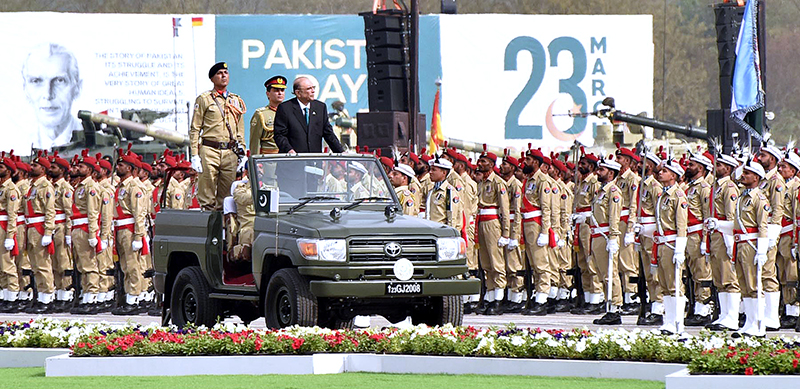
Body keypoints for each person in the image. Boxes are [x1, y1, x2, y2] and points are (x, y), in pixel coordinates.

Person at [189, 62, 247, 211]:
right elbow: (195, 128)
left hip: (230, 151)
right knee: (207, 195)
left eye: (226, 73)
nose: (223, 76)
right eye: (219, 73)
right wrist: (194, 155)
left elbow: (240, 130)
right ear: (212, 78)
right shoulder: (204, 99)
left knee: (227, 197)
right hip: (210, 149)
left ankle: (224, 232)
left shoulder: (236, 100)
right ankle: (209, 231)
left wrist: (243, 152)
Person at [704, 153, 741, 331]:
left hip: (724, 234)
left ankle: (732, 317)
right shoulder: (716, 186)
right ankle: (724, 315)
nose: (715, 167)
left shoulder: (729, 188)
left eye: (719, 165)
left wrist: (729, 241)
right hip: (715, 234)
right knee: (719, 277)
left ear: (728, 168)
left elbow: (732, 216)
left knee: (729, 277)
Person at [22, 43, 83, 150]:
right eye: (36, 81)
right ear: (26, 90)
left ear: (77, 88)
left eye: (60, 81)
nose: (48, 94)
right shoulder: (15, 144)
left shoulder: (96, 143)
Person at [733, 160, 769, 337]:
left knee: (754, 284)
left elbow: (763, 226)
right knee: (744, 285)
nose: (743, 175)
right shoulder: (742, 196)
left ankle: (758, 325)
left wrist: (761, 250)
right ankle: (749, 322)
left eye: (747, 173)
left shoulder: (759, 198)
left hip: (751, 244)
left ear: (756, 177)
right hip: (740, 243)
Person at [653, 159, 689, 335]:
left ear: (673, 175)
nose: (660, 173)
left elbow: (681, 224)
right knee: (665, 283)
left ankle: (677, 322)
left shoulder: (678, 196)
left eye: (665, 171)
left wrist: (679, 248)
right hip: (662, 243)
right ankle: (668, 320)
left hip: (671, 243)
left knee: (675, 283)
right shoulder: (662, 195)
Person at [112, 149, 148, 315]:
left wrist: (138, 236)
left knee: (132, 266)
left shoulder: (135, 187)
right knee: (125, 266)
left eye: (121, 165)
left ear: (130, 168)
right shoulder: (121, 186)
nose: (117, 167)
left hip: (129, 229)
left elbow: (138, 212)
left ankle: (134, 299)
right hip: (120, 229)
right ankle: (128, 297)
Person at [474, 150, 510, 315]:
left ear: (491, 164)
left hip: (492, 223)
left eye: (483, 161)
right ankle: (489, 297)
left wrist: (506, 233)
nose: (480, 164)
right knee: (486, 263)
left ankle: (498, 299)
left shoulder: (498, 182)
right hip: (481, 222)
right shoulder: (481, 182)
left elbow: (505, 209)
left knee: (496, 262)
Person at [589, 156, 623, 325]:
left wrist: (613, 237)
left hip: (605, 236)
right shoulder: (601, 191)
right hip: (597, 236)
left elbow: (614, 217)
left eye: (601, 170)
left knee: (610, 273)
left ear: (611, 173)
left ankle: (615, 308)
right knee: (602, 274)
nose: (598, 172)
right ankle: (608, 305)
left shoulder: (613, 192)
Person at [273, 77, 344, 154]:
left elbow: (328, 134)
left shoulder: (320, 107)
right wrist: (289, 150)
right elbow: (279, 135)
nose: (313, 91)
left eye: (313, 88)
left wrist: (341, 152)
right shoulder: (285, 108)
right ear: (298, 93)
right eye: (309, 89)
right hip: (292, 161)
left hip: (314, 160)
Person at [68, 152, 102, 314]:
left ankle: (92, 297)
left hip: (85, 229)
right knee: (81, 266)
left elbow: (93, 212)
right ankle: (86, 295)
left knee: (89, 265)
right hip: (77, 228)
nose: (77, 168)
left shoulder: (91, 188)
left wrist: (92, 235)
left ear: (89, 170)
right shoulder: (80, 187)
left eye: (81, 166)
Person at [24, 153, 57, 314]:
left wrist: (48, 232)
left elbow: (50, 211)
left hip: (39, 228)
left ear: (43, 169)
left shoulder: (46, 187)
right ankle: (40, 297)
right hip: (30, 228)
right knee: (35, 266)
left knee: (43, 265)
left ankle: (48, 298)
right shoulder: (33, 186)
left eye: (35, 166)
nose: (31, 168)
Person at [48, 152, 74, 312]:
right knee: (54, 263)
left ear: (62, 170)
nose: (50, 169)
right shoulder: (50, 186)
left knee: (63, 263)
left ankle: (65, 295)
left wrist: (68, 233)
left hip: (62, 227)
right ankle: (57, 294)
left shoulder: (65, 188)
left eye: (54, 167)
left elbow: (69, 212)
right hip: (52, 227)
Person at [0, 154, 21, 313]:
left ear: (9, 171)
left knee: (7, 264)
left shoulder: (11, 189)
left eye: (1, 167)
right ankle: (4, 295)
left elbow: (12, 214)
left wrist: (9, 236)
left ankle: (12, 297)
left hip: (4, 227)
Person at [249, 76, 287, 154]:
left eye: (282, 90)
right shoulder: (261, 114)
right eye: (276, 90)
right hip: (268, 158)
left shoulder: (289, 112)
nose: (280, 93)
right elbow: (255, 141)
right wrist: (256, 161)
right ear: (268, 94)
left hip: (286, 157)